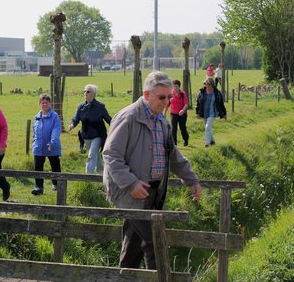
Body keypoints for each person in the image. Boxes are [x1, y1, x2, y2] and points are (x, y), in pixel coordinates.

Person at [102, 71, 202, 269]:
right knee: (155, 242)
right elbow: (111, 154)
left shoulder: (161, 121)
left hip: (152, 192)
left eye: (169, 97)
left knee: (133, 249)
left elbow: (172, 155)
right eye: (162, 97)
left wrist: (191, 179)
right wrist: (130, 183)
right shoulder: (129, 117)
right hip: (130, 193)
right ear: (147, 95)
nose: (166, 102)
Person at [68, 84, 111, 174]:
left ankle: (88, 178)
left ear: (94, 94)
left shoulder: (100, 106)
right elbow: (76, 118)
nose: (85, 93)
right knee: (96, 154)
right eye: (84, 91)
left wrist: (116, 127)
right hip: (86, 135)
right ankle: (101, 172)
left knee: (91, 155)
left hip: (98, 135)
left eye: (88, 91)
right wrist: (72, 124)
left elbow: (108, 119)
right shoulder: (81, 107)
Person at [31, 93, 62, 195]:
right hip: (38, 147)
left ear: (50, 104)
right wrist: (34, 142)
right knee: (38, 168)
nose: (44, 105)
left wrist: (52, 143)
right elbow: (34, 132)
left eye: (46, 103)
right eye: (42, 102)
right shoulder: (36, 117)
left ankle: (56, 184)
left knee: (55, 166)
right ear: (39, 103)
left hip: (51, 147)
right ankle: (38, 187)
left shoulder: (55, 116)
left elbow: (56, 130)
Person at [196, 77, 227, 147]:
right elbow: (198, 103)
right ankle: (212, 141)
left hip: (212, 113)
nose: (206, 85)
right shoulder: (201, 93)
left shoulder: (217, 93)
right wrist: (197, 113)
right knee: (208, 128)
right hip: (203, 113)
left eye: (208, 84)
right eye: (205, 83)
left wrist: (224, 113)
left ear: (212, 84)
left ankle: (207, 143)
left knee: (207, 127)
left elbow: (221, 104)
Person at [164, 79, 189, 146]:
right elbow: (167, 104)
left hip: (182, 114)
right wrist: (164, 113)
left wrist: (183, 110)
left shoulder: (183, 94)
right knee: (173, 128)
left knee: (182, 128)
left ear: (179, 87)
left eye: (176, 86)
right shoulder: (170, 94)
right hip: (173, 113)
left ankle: (186, 140)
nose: (175, 88)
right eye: (174, 86)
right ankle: (174, 144)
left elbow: (186, 104)